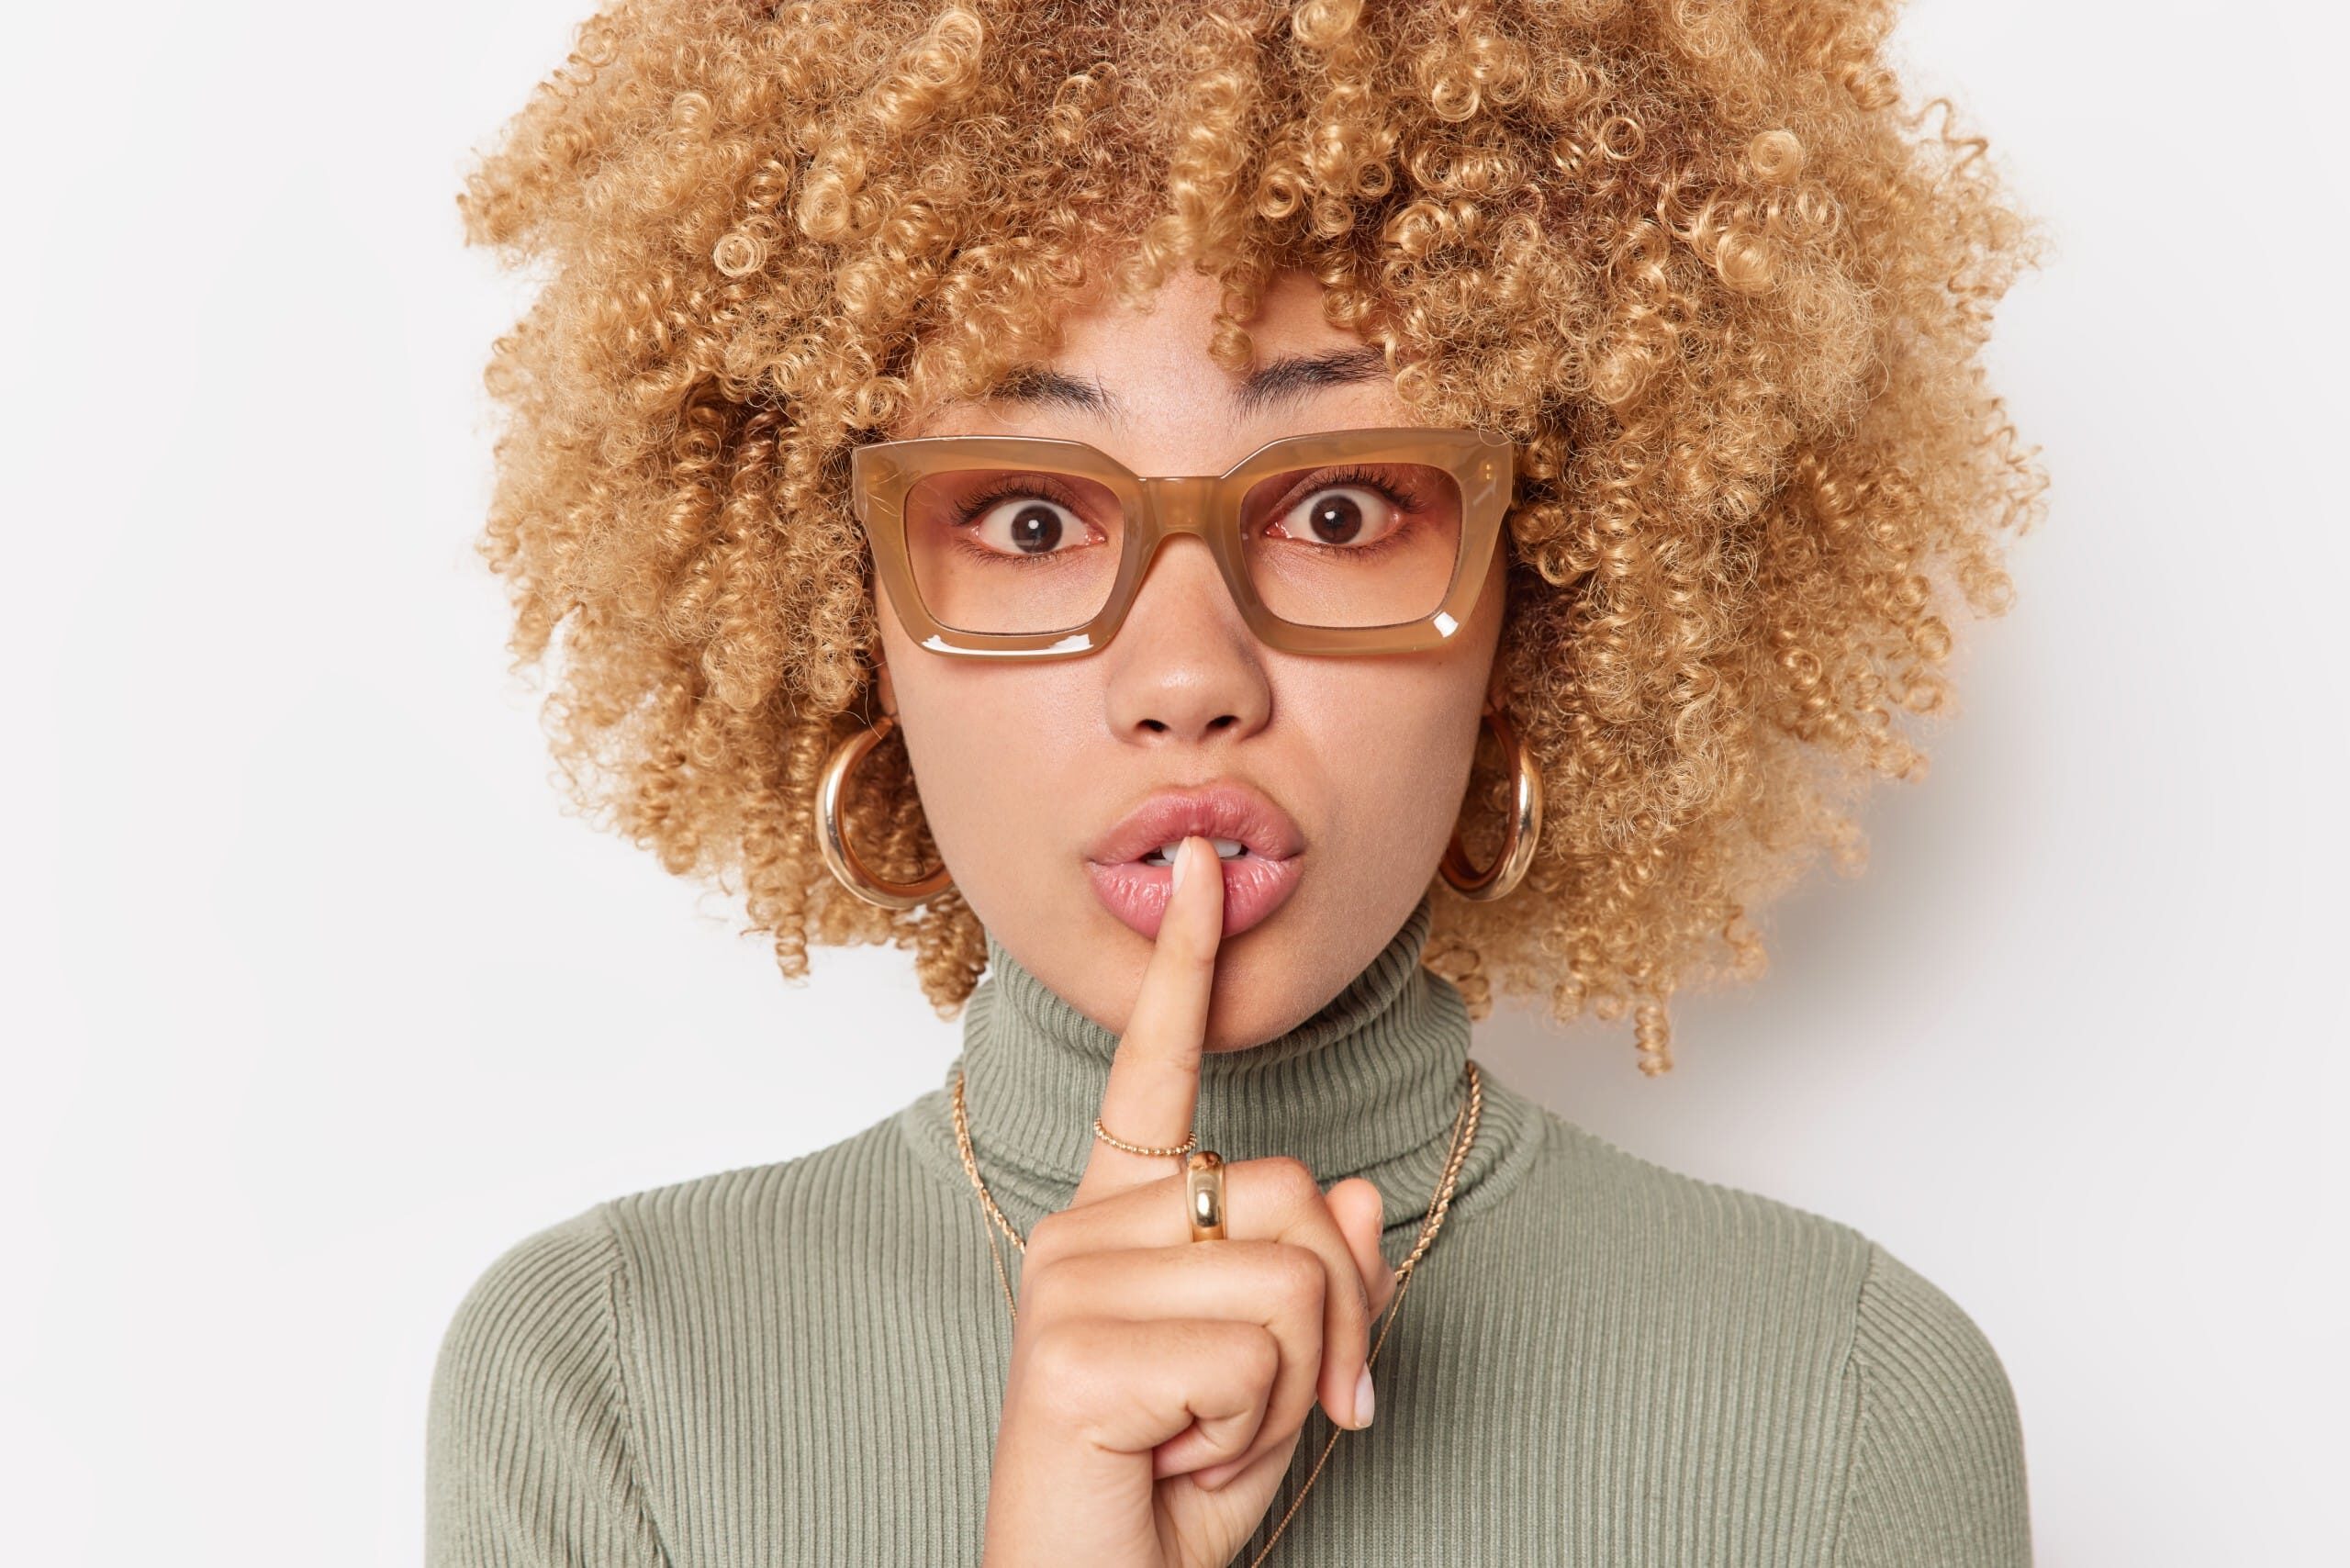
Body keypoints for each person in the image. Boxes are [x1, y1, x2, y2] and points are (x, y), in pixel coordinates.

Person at [426, 1, 2044, 1562]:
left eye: (1340, 512)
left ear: (1538, 605)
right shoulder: (612, 1390)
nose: (1189, 679)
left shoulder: (1844, 1402)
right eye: (1032, 521)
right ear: (852, 622)